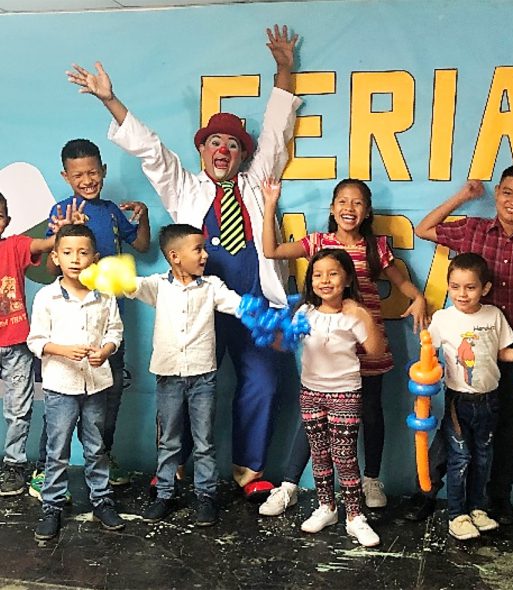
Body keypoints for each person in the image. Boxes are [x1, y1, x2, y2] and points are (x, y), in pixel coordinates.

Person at [66, 25, 301, 498]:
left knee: (262, 383)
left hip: (252, 303)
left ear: (243, 154)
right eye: (214, 142)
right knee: (186, 387)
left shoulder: (258, 183)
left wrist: (283, 69)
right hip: (199, 306)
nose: (222, 150)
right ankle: (173, 466)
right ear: (201, 150)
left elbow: (277, 131)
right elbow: (150, 149)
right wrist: (109, 100)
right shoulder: (185, 187)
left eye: (232, 144)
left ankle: (248, 469)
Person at [409, 164, 513, 524]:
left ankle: (497, 500)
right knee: (455, 426)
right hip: (470, 343)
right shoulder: (473, 229)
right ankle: (427, 492)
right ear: (497, 192)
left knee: (509, 427)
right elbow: (423, 229)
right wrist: (463, 196)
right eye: (507, 192)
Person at [259, 178, 428, 515]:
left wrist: (418, 298)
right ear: (332, 208)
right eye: (343, 201)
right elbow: (271, 251)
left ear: (367, 212)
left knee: (371, 412)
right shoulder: (318, 242)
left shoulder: (375, 247)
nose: (349, 208)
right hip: (329, 347)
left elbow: (402, 282)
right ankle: (290, 485)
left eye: (357, 203)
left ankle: (371, 480)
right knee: (314, 419)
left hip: (368, 341)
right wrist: (270, 204)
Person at [29, 139, 150, 500]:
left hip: (106, 319)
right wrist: (62, 234)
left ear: (104, 171)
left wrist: (144, 216)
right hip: (68, 323)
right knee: (59, 404)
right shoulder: (61, 212)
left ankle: (103, 458)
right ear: (65, 176)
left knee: (109, 397)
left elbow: (142, 245)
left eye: (93, 172)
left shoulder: (112, 212)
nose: (87, 180)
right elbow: (51, 268)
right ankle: (44, 469)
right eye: (78, 174)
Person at [124, 224, 242, 526]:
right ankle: (165, 494)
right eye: (198, 250)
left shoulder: (212, 286)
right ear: (175, 256)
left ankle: (206, 497)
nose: (205, 255)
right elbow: (128, 285)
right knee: (169, 440)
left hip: (203, 375)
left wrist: (266, 315)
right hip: (168, 375)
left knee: (204, 441)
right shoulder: (157, 285)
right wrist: (102, 273)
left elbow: (238, 305)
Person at [27, 224, 125, 541]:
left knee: (96, 448)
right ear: (55, 257)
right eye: (67, 252)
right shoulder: (47, 297)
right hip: (61, 386)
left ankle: (102, 502)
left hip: (96, 384)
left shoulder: (105, 295)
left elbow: (115, 331)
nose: (75, 259)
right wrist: (64, 350)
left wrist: (105, 351)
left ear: (94, 258)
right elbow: (36, 340)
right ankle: (52, 507)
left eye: (83, 252)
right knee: (57, 451)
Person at [428, 253, 513, 540]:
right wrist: (425, 373)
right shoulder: (443, 318)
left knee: (484, 458)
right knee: (460, 458)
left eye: (470, 287)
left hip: (490, 401)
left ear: (485, 288)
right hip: (458, 402)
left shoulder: (493, 315)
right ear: (448, 286)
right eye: (455, 286)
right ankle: (456, 515)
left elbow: (502, 352)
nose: (462, 293)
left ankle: (477, 509)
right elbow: (428, 354)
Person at [295, 248, 384, 547]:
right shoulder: (305, 312)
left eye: (332, 274)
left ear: (346, 279)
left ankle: (355, 516)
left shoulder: (353, 313)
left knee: (344, 457)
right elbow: (283, 344)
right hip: (310, 391)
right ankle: (326, 507)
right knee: (319, 455)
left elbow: (375, 352)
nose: (325, 280)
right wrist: (271, 327)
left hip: (345, 392)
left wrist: (364, 316)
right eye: (317, 275)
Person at [0, 193, 83, 497]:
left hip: (15, 343)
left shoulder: (15, 246)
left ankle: (14, 465)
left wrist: (63, 232)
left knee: (18, 409)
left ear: (7, 221)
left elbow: (46, 245)